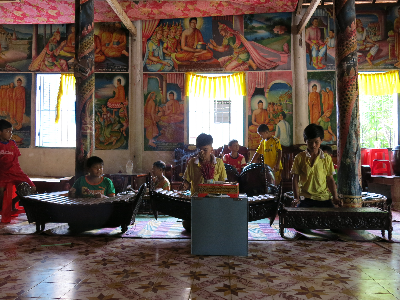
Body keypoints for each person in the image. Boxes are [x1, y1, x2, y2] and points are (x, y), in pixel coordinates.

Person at [291, 124, 341, 208]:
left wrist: (335, 197)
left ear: (321, 140)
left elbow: (330, 179)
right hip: (305, 198)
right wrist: (296, 198)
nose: (313, 145)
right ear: (305, 141)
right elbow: (295, 179)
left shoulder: (327, 158)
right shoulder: (299, 158)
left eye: (316, 142)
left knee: (333, 217)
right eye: (310, 142)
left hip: (323, 198)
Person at [208, 22, 278, 71]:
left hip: (242, 56)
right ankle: (248, 62)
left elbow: (223, 49)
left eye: (221, 31)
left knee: (227, 69)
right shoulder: (229, 36)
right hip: (236, 55)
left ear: (225, 29)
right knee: (221, 62)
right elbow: (226, 48)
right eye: (220, 32)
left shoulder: (229, 37)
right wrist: (215, 45)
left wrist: (213, 47)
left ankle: (247, 64)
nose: (221, 33)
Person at [0, 119, 36, 211]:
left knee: (31, 188)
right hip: (3, 174)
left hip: (17, 172)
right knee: (1, 192)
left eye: (11, 131)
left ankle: (13, 202)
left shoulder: (13, 143)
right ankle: (2, 210)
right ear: (0, 132)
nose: (10, 133)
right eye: (7, 131)